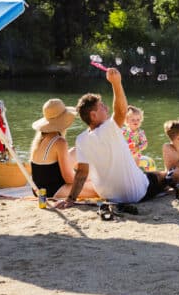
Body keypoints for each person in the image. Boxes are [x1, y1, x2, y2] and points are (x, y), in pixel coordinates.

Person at [56, 67, 170, 208]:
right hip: (135, 194)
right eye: (102, 107)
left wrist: (70, 199)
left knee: (149, 175)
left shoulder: (81, 139)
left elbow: (81, 173)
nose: (107, 109)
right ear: (93, 115)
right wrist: (116, 83)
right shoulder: (109, 129)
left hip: (107, 195)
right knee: (163, 176)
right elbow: (122, 111)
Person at [29, 99, 78, 199]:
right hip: (53, 191)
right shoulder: (60, 142)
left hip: (38, 189)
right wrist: (84, 179)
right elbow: (68, 179)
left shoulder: (40, 140)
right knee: (97, 188)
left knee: (75, 151)